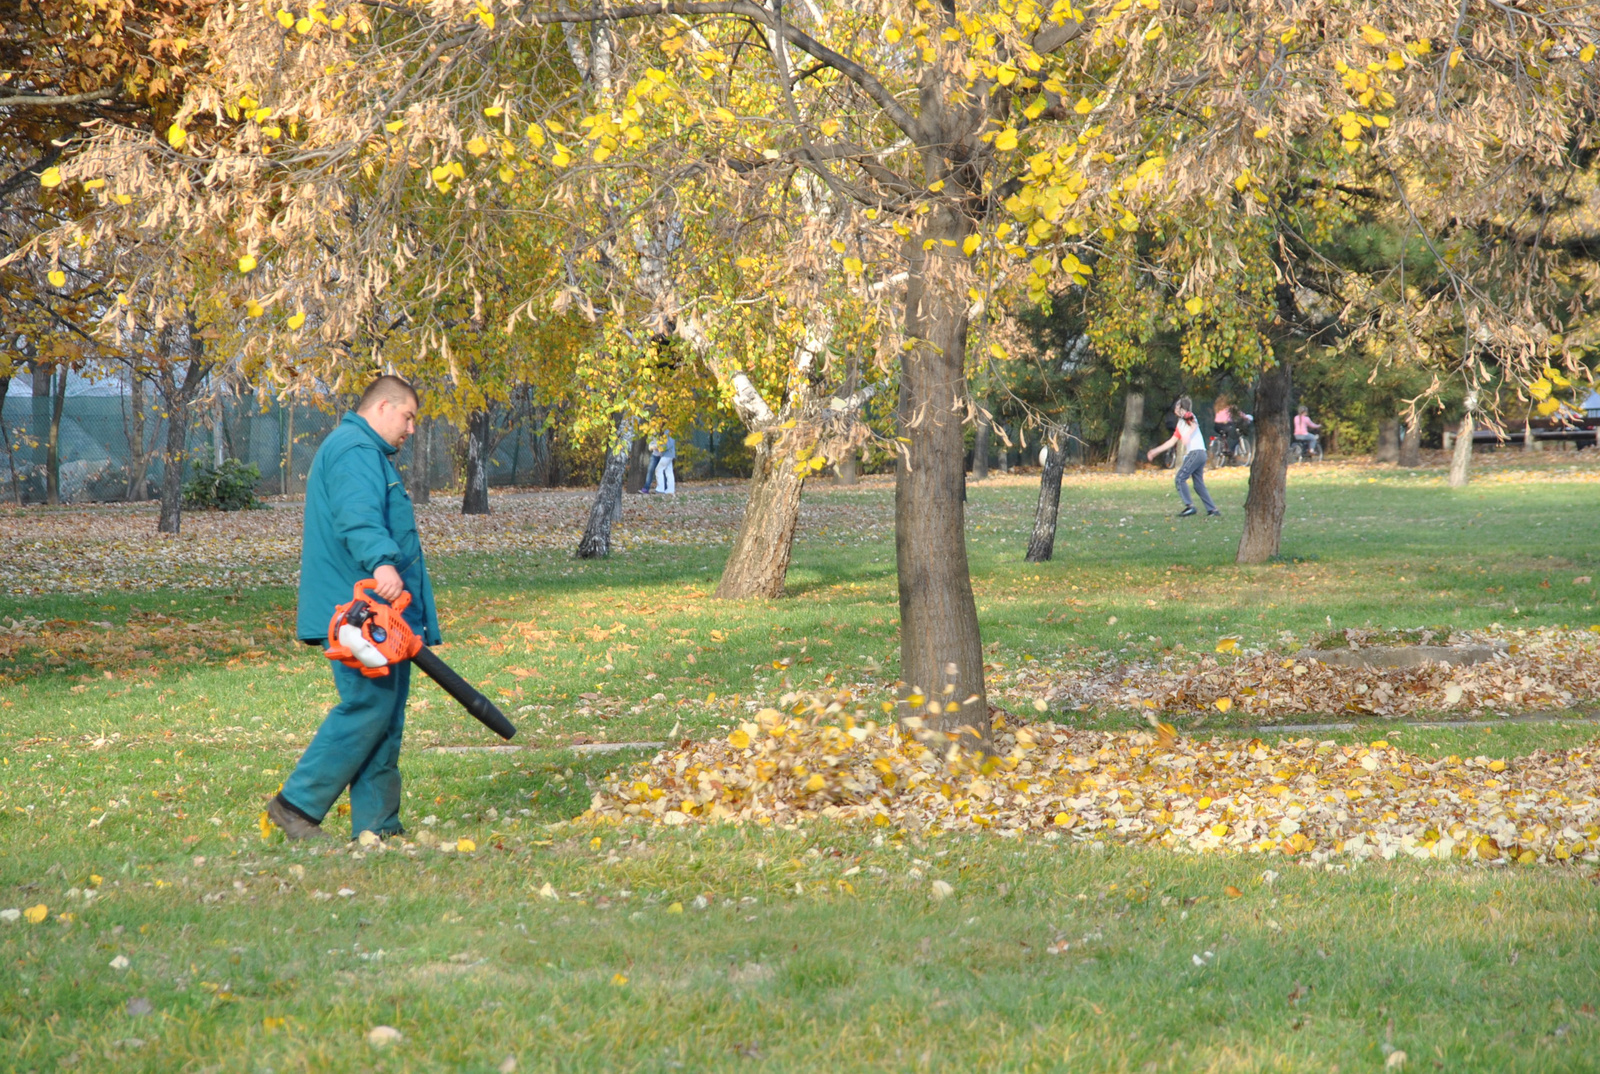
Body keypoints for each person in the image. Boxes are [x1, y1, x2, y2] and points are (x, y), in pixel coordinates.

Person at [266, 375, 440, 842]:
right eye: (408, 417)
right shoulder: (355, 451)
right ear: (383, 407)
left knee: (384, 715)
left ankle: (378, 827)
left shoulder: (365, 453)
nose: (411, 430)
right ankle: (296, 805)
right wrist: (382, 561)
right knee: (368, 706)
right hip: (358, 612)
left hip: (379, 613)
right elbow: (356, 514)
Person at [1148, 396, 1220, 518]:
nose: (1175, 408)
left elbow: (1194, 424)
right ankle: (1213, 510)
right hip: (1200, 454)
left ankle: (1190, 507)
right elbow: (1171, 442)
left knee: (1180, 478)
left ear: (1182, 408)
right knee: (1198, 484)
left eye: (1177, 406)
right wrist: (1155, 451)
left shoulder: (1188, 416)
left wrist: (1188, 435)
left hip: (1196, 453)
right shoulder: (1180, 424)